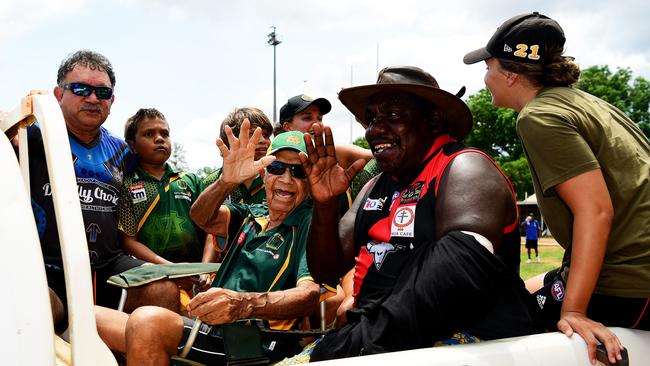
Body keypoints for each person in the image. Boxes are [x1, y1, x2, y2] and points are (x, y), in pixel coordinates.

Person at [300, 66, 541, 361]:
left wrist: (361, 341)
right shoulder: (374, 185)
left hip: (463, 340)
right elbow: (326, 270)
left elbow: (457, 271)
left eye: (393, 115)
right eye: (373, 118)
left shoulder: (465, 168)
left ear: (434, 119)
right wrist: (324, 205)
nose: (376, 130)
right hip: (375, 338)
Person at [463, 12, 649, 364]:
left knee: (492, 324)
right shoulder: (590, 104)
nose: (485, 79)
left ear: (511, 74)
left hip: (630, 284)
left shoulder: (538, 117)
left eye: (488, 68)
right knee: (523, 291)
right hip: (635, 270)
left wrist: (575, 310)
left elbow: (595, 210)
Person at [95, 122, 323, 365]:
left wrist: (243, 304)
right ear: (264, 174)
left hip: (251, 339)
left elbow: (308, 295)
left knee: (147, 322)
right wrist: (226, 181)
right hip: (212, 327)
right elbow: (202, 217)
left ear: (310, 182)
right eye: (277, 168)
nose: (286, 179)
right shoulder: (254, 214)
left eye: (298, 172)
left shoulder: (311, 224)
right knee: (87, 317)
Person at [22, 50, 177, 312]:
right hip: (45, 268)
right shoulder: (28, 137)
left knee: (162, 287)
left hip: (108, 266)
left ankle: (133, 351)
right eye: (81, 89)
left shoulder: (123, 152)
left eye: (102, 93)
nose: (93, 98)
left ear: (112, 100)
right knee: (35, 303)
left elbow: (159, 178)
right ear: (58, 95)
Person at [203, 107, 273, 205]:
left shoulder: (274, 180)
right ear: (231, 141)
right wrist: (223, 186)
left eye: (266, 135)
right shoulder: (211, 182)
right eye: (252, 134)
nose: (262, 140)